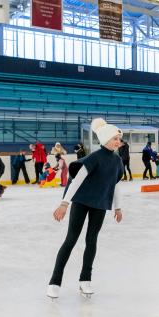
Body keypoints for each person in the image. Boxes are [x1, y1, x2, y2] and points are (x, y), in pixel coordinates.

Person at [48, 118, 124, 300]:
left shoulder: (117, 160)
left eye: (119, 139)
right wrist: (64, 204)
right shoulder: (94, 158)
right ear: (105, 138)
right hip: (81, 202)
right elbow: (76, 181)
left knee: (92, 241)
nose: (118, 142)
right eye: (115, 138)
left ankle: (85, 280)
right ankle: (54, 282)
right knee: (71, 239)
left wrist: (118, 207)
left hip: (100, 205)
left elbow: (115, 184)